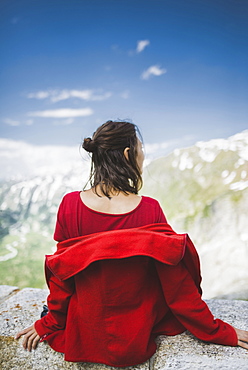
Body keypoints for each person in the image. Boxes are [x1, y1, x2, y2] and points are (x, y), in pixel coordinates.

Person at [16, 120, 248, 366]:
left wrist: (48, 322)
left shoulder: (70, 206)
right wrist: (217, 331)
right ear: (128, 154)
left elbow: (62, 278)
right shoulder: (150, 210)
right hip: (137, 334)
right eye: (140, 148)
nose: (143, 155)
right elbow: (178, 288)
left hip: (88, 331)